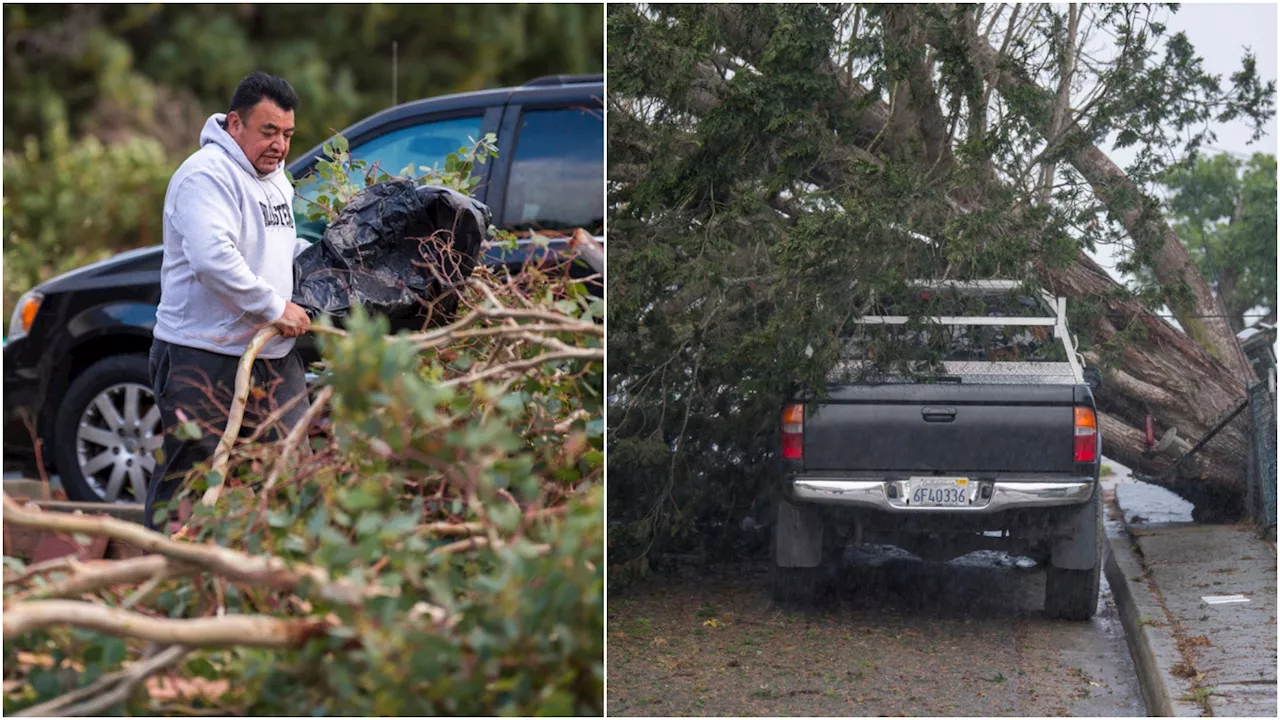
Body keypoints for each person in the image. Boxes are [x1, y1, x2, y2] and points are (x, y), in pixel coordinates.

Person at [144, 72, 313, 531]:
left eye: (287, 134)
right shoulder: (204, 176)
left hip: (272, 356)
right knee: (190, 480)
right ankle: (163, 583)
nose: (280, 145)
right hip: (204, 356)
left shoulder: (277, 179)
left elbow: (273, 247)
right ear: (235, 124)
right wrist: (275, 307)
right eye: (268, 131)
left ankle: (275, 584)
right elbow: (213, 260)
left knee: (291, 471)